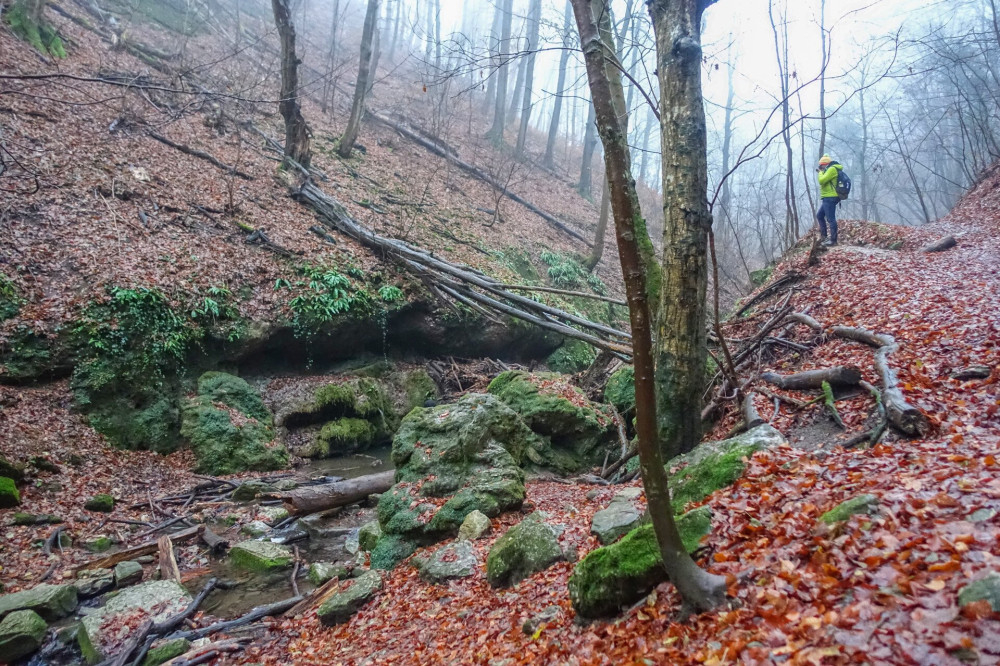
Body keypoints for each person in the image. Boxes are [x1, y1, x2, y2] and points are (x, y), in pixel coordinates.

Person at [816, 154, 843, 245]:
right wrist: (822, 172)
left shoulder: (832, 169)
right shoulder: (829, 170)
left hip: (830, 197)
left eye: (821, 165)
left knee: (831, 219)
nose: (821, 167)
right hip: (827, 197)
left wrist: (820, 172)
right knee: (819, 215)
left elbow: (822, 181)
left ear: (825, 164)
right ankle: (824, 237)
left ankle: (833, 240)